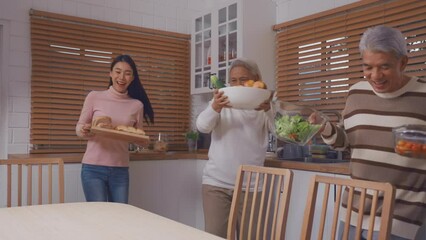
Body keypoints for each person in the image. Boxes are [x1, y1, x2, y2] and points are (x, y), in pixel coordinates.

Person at [312, 25, 425, 240]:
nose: (375, 76)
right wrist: (325, 127)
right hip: (353, 209)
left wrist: (415, 146)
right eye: (367, 67)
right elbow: (346, 141)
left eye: (384, 67)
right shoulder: (356, 92)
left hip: (400, 215)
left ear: (403, 62)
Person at [196, 58, 274, 238]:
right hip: (216, 184)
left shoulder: (265, 104)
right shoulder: (221, 101)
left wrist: (269, 110)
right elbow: (202, 126)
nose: (238, 84)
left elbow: (278, 131)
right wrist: (215, 107)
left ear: (255, 79)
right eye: (234, 80)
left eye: (243, 79)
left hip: (251, 187)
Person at [76, 54, 154, 203]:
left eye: (127, 73)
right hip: (93, 168)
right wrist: (84, 130)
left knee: (120, 218)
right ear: (110, 73)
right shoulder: (94, 97)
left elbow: (139, 136)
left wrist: (144, 142)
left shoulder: (137, 105)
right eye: (118, 72)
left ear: (132, 78)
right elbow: (79, 127)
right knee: (98, 217)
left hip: (120, 170)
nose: (122, 77)